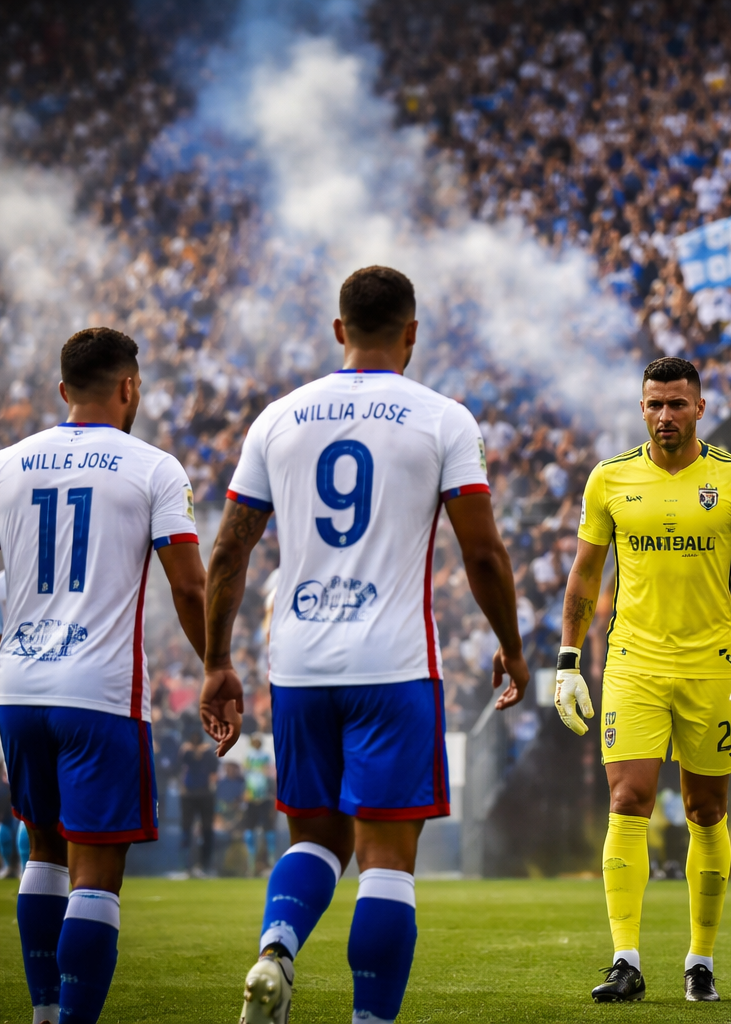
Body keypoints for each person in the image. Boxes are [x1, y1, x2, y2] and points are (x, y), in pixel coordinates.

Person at [200, 266, 528, 1024]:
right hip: (394, 664)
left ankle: (276, 948)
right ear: (412, 332)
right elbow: (483, 553)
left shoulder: (278, 418)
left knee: (314, 840)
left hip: (299, 663)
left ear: (338, 329)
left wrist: (217, 661)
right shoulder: (443, 419)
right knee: (386, 861)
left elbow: (229, 552)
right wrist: (510, 645)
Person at [0, 326, 207, 1024]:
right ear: (130, 387)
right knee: (96, 875)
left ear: (63, 389)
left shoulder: (4, 465)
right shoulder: (155, 468)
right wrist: (218, 664)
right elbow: (188, 587)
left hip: (21, 690)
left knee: (43, 853)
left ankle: (44, 1012)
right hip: (100, 693)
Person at [553, 355, 731, 1003]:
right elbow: (586, 573)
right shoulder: (609, 478)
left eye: (677, 403)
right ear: (642, 408)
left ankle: (701, 959)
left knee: (707, 810)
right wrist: (568, 659)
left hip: (712, 667)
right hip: (633, 664)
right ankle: (625, 960)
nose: (665, 415)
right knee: (628, 800)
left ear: (700, 407)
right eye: (654, 403)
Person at [178, 722, 218, 877]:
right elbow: (179, 767)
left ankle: (205, 866)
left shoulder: (208, 752)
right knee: (186, 829)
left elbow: (214, 771)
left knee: (206, 830)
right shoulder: (185, 751)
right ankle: (186, 866)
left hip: (204, 793)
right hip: (189, 794)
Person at [241, 733, 278, 874]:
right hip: (251, 799)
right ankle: (251, 863)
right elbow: (245, 776)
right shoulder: (248, 756)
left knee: (269, 832)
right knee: (249, 832)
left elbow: (269, 776)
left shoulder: (265, 757)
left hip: (264, 798)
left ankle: (271, 860)